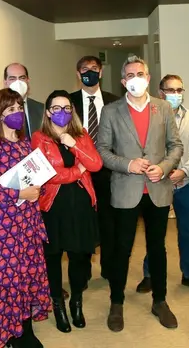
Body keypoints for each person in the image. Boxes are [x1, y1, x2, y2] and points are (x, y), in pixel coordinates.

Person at [97, 56, 183, 332]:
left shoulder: (163, 108)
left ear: (148, 78)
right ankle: (116, 302)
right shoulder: (111, 111)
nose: (136, 78)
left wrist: (164, 167)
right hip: (126, 190)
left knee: (157, 248)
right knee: (121, 249)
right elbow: (102, 151)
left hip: (157, 190)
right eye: (130, 75)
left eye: (141, 74)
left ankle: (160, 301)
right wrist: (128, 164)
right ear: (123, 81)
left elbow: (175, 146)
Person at [0, 89, 50, 348]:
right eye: (11, 110)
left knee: (26, 278)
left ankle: (25, 329)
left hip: (27, 224)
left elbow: (33, 180)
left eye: (19, 108)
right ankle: (9, 335)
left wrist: (36, 190)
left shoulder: (24, 144)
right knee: (5, 282)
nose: (17, 113)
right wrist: (20, 193)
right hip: (3, 229)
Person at [31, 90, 103, 333]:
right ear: (48, 112)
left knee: (79, 256)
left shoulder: (81, 135)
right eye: (56, 108)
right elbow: (47, 174)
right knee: (53, 257)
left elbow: (96, 164)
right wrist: (77, 171)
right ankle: (58, 304)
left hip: (81, 205)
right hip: (53, 206)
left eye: (66, 108)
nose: (61, 112)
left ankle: (76, 301)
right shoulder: (39, 138)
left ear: (72, 111)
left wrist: (74, 146)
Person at [136, 74, 189, 295]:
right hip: (158, 183)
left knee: (188, 231)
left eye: (179, 90)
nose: (176, 94)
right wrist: (163, 171)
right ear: (161, 93)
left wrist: (184, 171)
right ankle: (150, 274)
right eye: (171, 90)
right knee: (156, 233)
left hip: (185, 183)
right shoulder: (150, 116)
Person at [69, 56, 119, 283]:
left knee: (109, 223)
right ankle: (82, 271)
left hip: (109, 172)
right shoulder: (68, 102)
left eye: (94, 68)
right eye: (84, 69)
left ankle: (109, 268)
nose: (89, 72)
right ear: (78, 74)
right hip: (79, 172)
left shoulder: (115, 102)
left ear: (101, 72)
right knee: (81, 223)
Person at [0, 63, 44, 138]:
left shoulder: (41, 108)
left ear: (28, 80)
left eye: (22, 78)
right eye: (12, 79)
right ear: (5, 83)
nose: (18, 82)